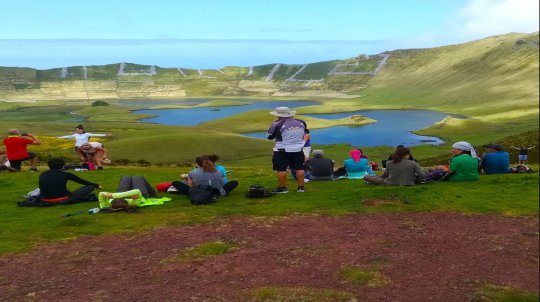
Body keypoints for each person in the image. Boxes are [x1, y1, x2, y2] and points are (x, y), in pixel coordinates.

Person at [266, 107, 309, 193]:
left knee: (281, 169)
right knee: (299, 167)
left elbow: (269, 137)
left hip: (282, 149)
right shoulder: (301, 122)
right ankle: (301, 187)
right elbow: (306, 132)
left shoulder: (276, 124)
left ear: (278, 115)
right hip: (298, 149)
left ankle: (283, 188)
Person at [171, 156, 238, 197]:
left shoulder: (192, 173)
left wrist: (189, 178)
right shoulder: (218, 171)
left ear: (198, 164)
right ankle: (219, 193)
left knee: (175, 183)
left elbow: (190, 186)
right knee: (234, 182)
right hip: (218, 193)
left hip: (199, 193)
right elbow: (222, 184)